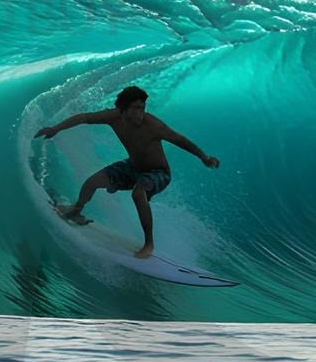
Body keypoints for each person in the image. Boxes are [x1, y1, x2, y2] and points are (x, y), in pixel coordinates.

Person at [34, 85, 220, 259]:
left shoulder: (153, 125)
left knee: (139, 193)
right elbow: (84, 117)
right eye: (136, 108)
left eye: (143, 108)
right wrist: (55, 128)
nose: (140, 113)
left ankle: (148, 244)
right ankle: (76, 210)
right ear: (123, 108)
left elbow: (181, 140)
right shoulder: (113, 117)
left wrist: (204, 157)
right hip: (133, 167)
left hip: (158, 172)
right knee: (92, 182)